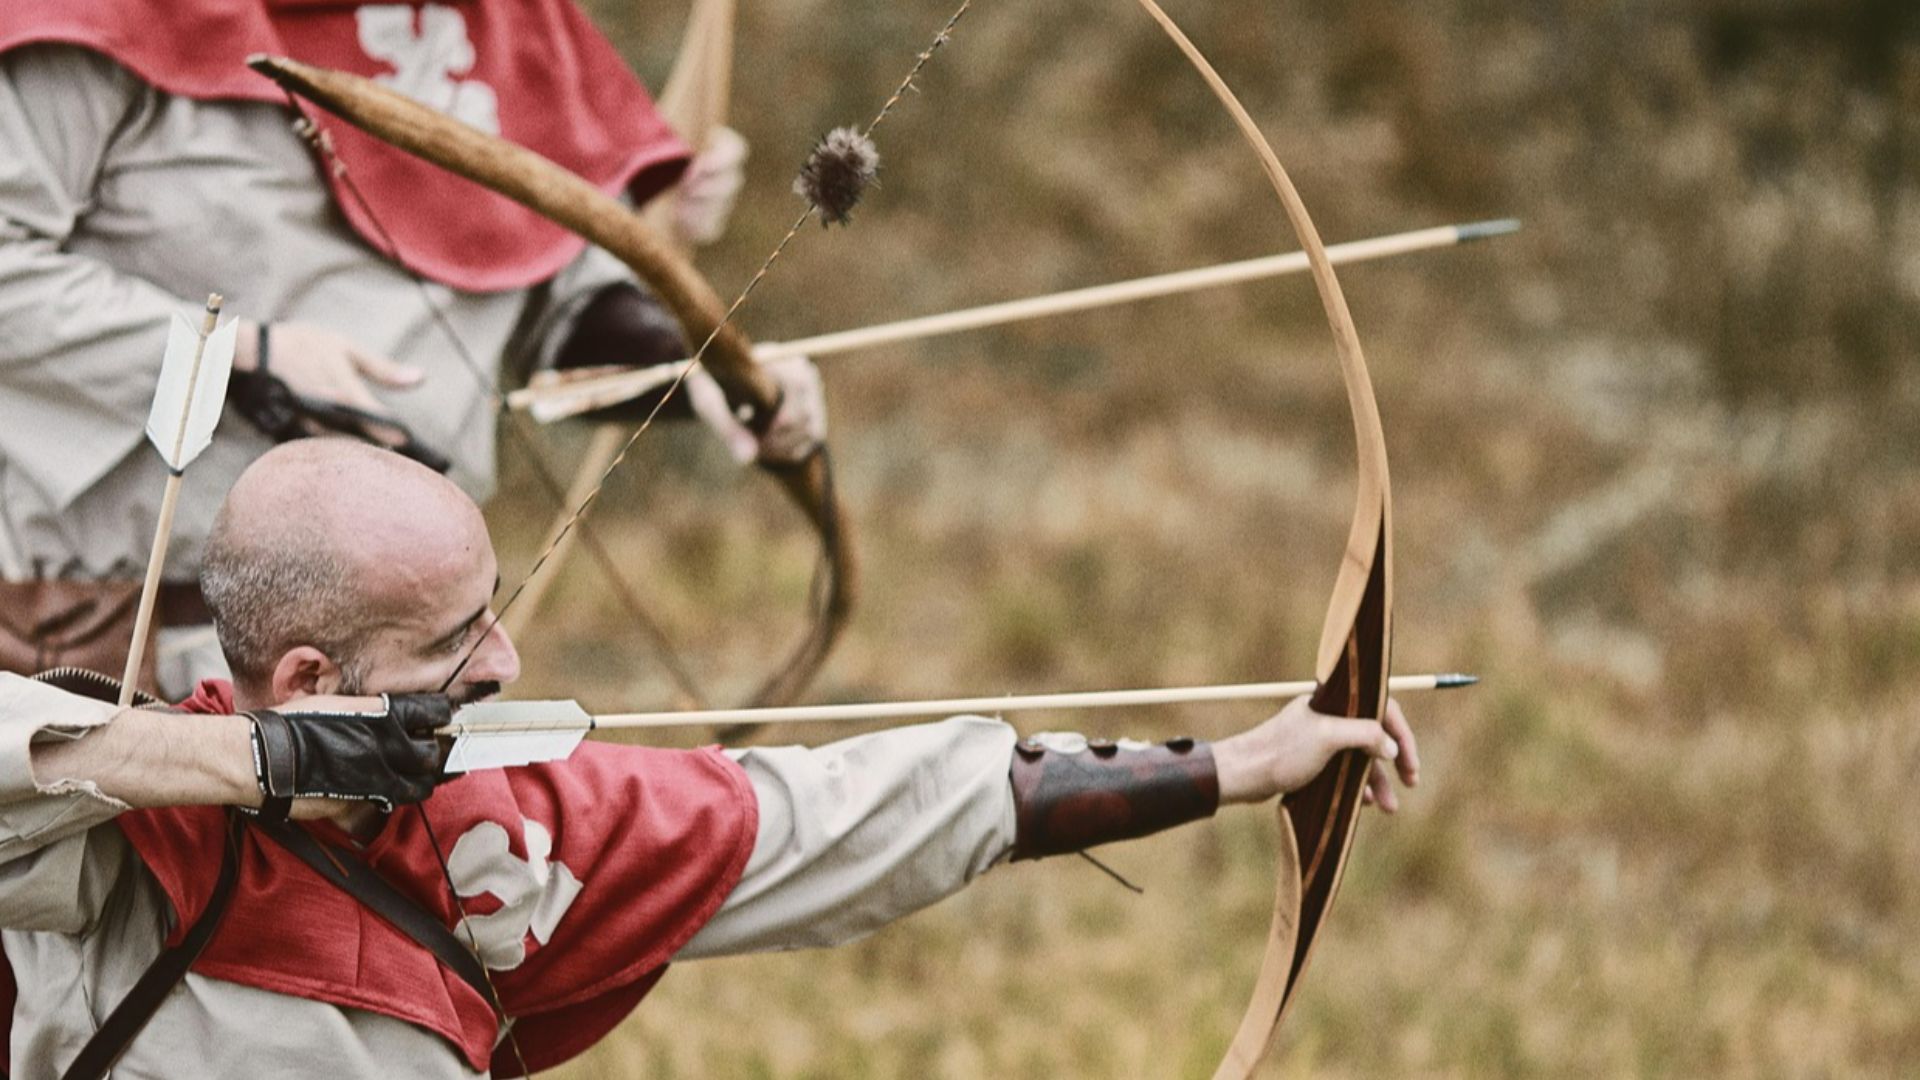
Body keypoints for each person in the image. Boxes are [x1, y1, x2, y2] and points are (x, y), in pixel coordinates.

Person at [0, 439, 1420, 1078]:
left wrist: (1235, 767)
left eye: (494, 613)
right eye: (452, 640)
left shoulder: (521, 821)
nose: (503, 666)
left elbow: (843, 816)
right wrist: (250, 766)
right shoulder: (105, 833)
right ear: (309, 680)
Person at [0, 0, 821, 698]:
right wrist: (241, 355)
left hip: (416, 655)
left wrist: (702, 370)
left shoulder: (504, 21)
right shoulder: (89, 21)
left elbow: (555, 306)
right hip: (125, 635)